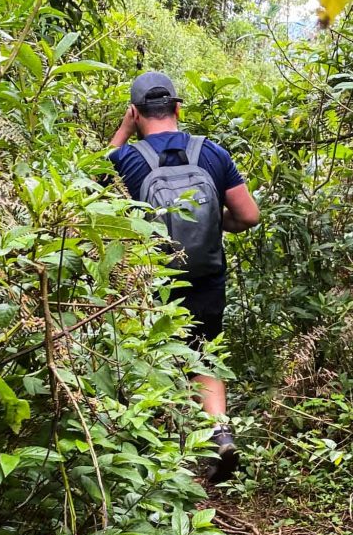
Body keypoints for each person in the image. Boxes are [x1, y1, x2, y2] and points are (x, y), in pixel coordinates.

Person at [108, 71, 260, 483]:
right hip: (206, 276)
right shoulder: (212, 154)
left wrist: (122, 133)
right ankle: (220, 433)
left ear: (136, 113)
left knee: (152, 357)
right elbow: (248, 215)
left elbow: (91, 195)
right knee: (204, 355)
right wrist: (217, 224)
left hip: (152, 280)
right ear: (177, 108)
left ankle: (158, 461)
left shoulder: (126, 159)